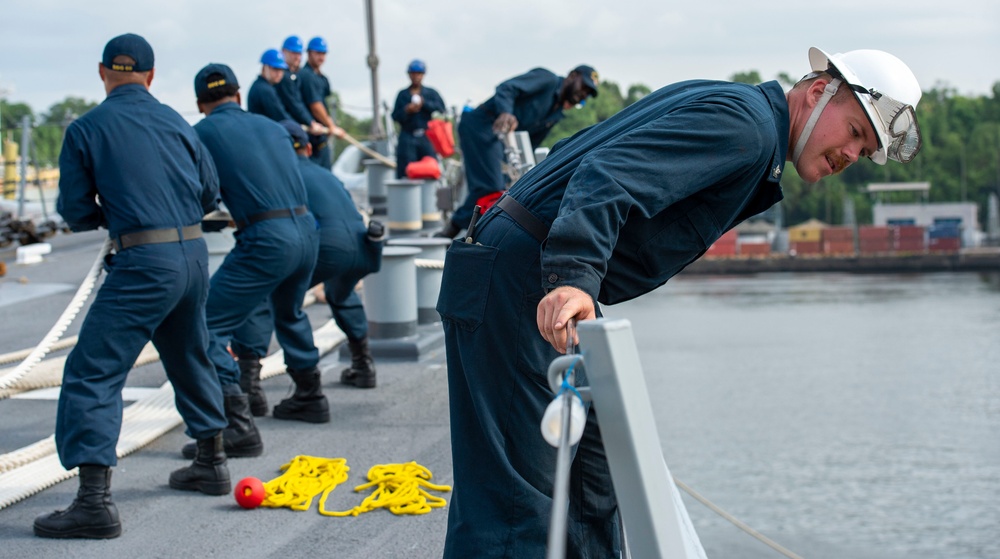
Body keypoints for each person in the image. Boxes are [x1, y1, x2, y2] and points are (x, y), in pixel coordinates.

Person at [436, 47, 923, 557]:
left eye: (864, 151)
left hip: (540, 271)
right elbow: (608, 173)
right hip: (528, 280)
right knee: (515, 508)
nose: (850, 155)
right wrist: (574, 277)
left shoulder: (735, 109)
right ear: (820, 91)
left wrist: (573, 277)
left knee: (592, 483)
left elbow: (578, 150)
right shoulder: (748, 130)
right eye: (854, 132)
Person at [34, 33, 231, 540]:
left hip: (144, 261)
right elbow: (209, 192)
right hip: (192, 255)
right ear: (151, 75)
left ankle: (92, 502)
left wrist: (120, 214)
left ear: (102, 72)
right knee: (188, 353)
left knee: (92, 371)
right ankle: (211, 460)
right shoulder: (179, 123)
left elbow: (76, 212)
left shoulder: (87, 128)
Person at [183, 63, 324, 461]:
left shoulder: (201, 133)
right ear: (239, 95)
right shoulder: (274, 127)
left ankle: (237, 425)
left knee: (206, 327)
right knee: (289, 311)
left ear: (199, 104)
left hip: (267, 238)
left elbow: (204, 195)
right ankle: (311, 396)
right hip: (306, 231)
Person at [231, 120, 384, 402]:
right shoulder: (325, 174)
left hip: (326, 245)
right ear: (309, 147)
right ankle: (364, 365)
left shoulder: (280, 175)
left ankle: (254, 386)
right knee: (342, 291)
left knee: (270, 296)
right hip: (362, 247)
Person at [435, 65, 599, 238]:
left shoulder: (556, 113)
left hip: (500, 141)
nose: (584, 94)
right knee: (490, 187)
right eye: (584, 87)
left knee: (505, 185)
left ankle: (461, 230)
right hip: (481, 126)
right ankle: (459, 232)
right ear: (572, 76)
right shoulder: (547, 80)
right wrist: (506, 112)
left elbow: (530, 142)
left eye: (588, 93)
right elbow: (506, 88)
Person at [391, 59, 446, 178]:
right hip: (407, 136)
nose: (416, 76)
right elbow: (395, 116)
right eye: (413, 73)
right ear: (409, 75)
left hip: (426, 136)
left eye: (419, 74)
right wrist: (407, 110)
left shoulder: (430, 93)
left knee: (430, 167)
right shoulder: (403, 95)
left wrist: (424, 104)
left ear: (423, 75)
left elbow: (441, 108)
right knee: (406, 170)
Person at [298, 36, 343, 169]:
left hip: (321, 138)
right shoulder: (306, 75)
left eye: (323, 53)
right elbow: (315, 105)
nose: (321, 57)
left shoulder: (322, 79)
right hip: (311, 138)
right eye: (318, 53)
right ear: (309, 53)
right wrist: (331, 126)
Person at [276, 35, 328, 138]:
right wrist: (310, 122)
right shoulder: (285, 77)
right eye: (293, 53)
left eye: (299, 53)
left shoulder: (295, 75)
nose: (297, 57)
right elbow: (294, 104)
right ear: (283, 51)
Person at [247, 48, 292, 122]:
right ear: (265, 68)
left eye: (281, 70)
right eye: (275, 69)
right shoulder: (265, 90)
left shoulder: (260, 85)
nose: (279, 74)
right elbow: (281, 116)